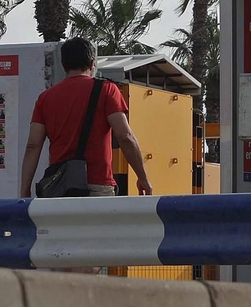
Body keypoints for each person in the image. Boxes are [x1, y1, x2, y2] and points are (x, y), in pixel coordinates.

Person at [20, 37, 153, 199]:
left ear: (64, 65)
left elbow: (33, 146)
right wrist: (142, 177)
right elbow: (125, 136)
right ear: (92, 63)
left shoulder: (45, 98)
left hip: (60, 187)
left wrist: (24, 190)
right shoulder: (107, 90)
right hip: (97, 184)